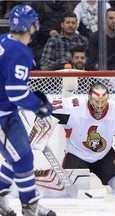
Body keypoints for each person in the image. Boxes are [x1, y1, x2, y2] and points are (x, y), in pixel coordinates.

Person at [0, 4, 55, 216]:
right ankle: (29, 205)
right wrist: (39, 106)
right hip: (3, 114)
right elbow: (16, 93)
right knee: (22, 159)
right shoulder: (21, 52)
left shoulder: (4, 39)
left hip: (7, 111)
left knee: (19, 157)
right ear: (30, 26)